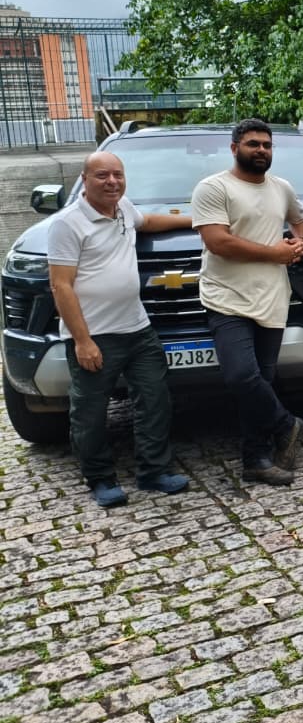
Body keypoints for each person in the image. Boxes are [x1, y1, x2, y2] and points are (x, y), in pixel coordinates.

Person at [47, 152, 193, 507]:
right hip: (95, 335)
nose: (112, 181)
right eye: (102, 175)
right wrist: (82, 340)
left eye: (118, 174)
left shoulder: (123, 208)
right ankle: (100, 478)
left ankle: (153, 471)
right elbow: (60, 286)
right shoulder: (67, 224)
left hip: (138, 329)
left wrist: (196, 220)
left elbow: (149, 221)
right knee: (90, 412)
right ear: (84, 179)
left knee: (155, 400)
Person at [192, 119, 303, 487]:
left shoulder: (282, 188)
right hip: (226, 298)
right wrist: (275, 253)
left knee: (262, 381)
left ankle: (256, 459)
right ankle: (286, 424)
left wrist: (299, 242)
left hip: (272, 298)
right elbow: (218, 242)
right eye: (253, 144)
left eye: (266, 145)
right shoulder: (213, 188)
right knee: (241, 375)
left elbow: (300, 219)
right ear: (234, 148)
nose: (261, 150)